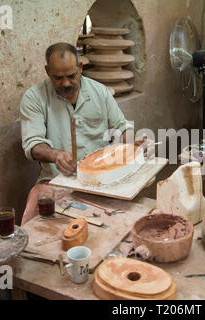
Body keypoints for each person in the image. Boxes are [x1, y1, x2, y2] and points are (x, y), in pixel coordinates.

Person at [19, 42, 146, 225]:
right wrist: (56, 155)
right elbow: (32, 144)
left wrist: (133, 145)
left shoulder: (99, 92)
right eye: (58, 78)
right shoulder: (35, 97)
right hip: (58, 180)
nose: (66, 83)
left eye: (71, 76)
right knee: (34, 224)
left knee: (123, 220)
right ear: (47, 71)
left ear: (80, 67)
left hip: (101, 179)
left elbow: (122, 127)